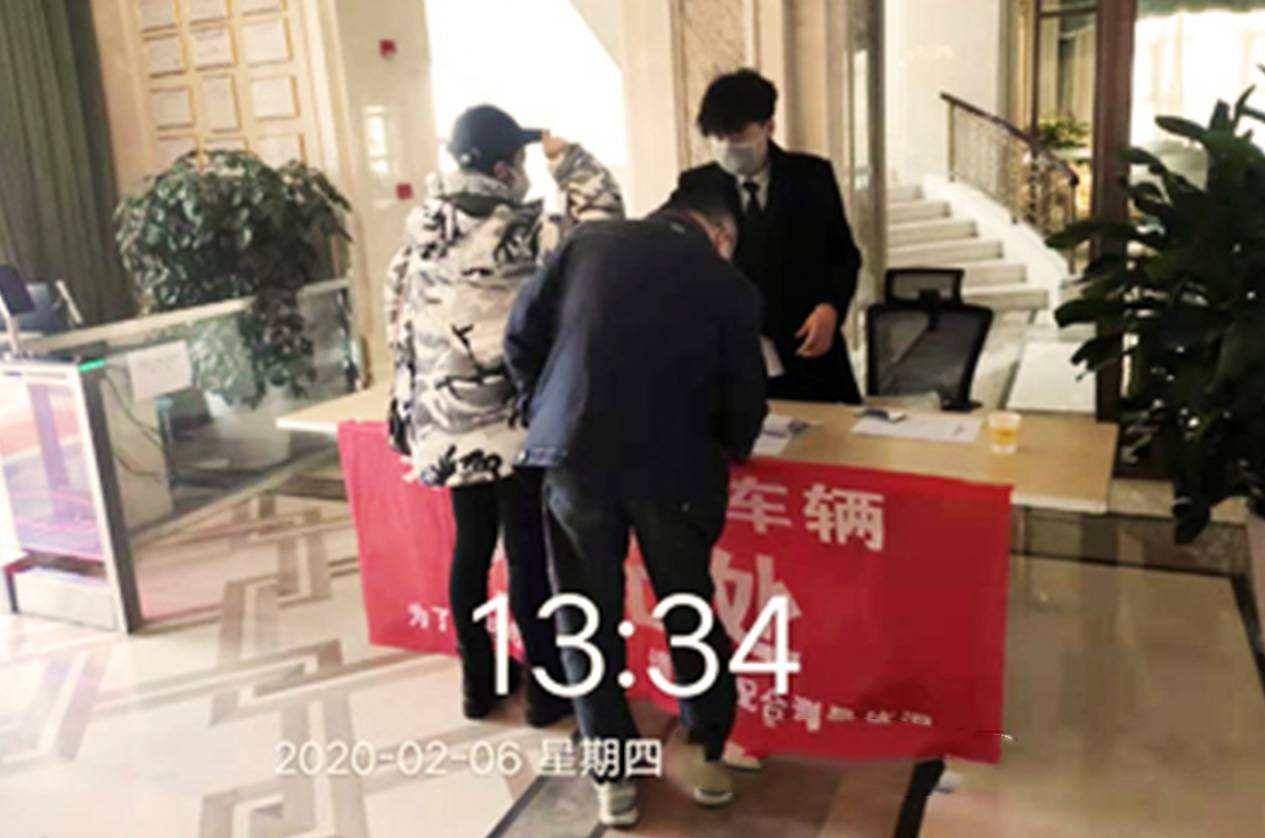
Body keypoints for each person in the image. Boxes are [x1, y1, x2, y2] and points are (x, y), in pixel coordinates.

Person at [504, 186, 767, 828]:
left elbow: (520, 335)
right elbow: (745, 397)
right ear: (720, 234)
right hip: (674, 470)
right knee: (687, 608)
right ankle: (705, 755)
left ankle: (612, 775)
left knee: (584, 615)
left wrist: (545, 409)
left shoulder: (584, 244)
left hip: (574, 458)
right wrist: (732, 442)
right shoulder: (727, 282)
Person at [385, 104, 623, 725]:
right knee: (526, 553)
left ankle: (478, 682)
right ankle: (546, 690)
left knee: (470, 548)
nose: (523, 172)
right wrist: (569, 161)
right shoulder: (523, 231)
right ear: (501, 169)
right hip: (514, 427)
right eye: (518, 162)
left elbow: (396, 322)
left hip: (446, 424)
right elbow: (604, 224)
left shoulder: (419, 232)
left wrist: (413, 409)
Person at [677, 68, 864, 404]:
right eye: (718, 137)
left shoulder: (811, 177)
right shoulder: (697, 186)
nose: (727, 147)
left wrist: (830, 307)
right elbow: (672, 252)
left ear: (769, 127)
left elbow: (843, 256)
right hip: (734, 355)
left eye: (737, 136)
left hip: (807, 346)